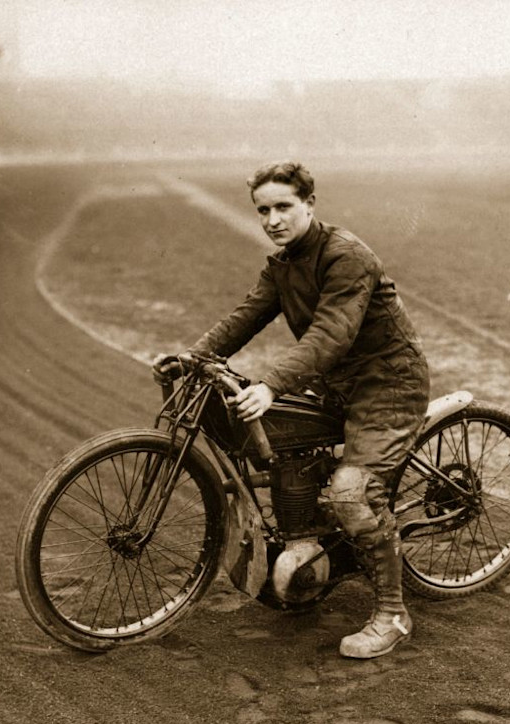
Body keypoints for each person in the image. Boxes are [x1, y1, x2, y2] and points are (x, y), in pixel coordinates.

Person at [153, 161, 430, 659]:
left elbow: (331, 334)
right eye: (263, 210)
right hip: (333, 385)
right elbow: (245, 316)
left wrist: (270, 384)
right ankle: (304, 546)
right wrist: (192, 358)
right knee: (281, 449)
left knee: (352, 495)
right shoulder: (282, 264)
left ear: (309, 204)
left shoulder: (347, 257)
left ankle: (392, 613)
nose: (273, 219)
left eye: (284, 207)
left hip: (387, 385)